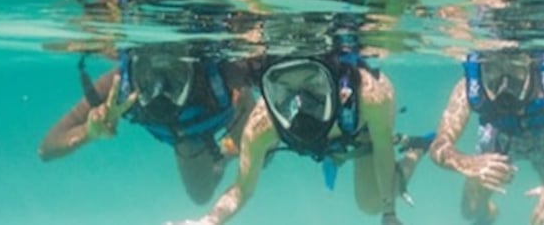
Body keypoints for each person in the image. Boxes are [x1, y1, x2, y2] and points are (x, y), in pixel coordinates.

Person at [165, 34, 421, 225]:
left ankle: (415, 151)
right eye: (286, 92)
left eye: (312, 87)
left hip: (358, 134)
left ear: (335, 86)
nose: (301, 106)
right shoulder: (263, 123)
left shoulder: (370, 97)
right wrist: (207, 222)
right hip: (330, 138)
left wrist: (390, 213)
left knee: (370, 204)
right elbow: (242, 189)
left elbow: (383, 147)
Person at [39, 42, 257, 204]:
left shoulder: (224, 71)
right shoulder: (116, 85)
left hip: (229, 113)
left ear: (192, 60)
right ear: (133, 63)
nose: (161, 91)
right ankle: (226, 154)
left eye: (173, 77)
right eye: (149, 81)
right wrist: (88, 132)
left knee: (262, 157)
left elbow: (267, 68)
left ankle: (235, 140)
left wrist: (245, 96)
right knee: (200, 196)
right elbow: (46, 148)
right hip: (187, 139)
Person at [429, 49, 544, 225]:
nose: (505, 79)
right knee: (470, 210)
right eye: (493, 67)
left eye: (515, 66)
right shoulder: (468, 86)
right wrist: (467, 163)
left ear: (530, 63)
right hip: (501, 137)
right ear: (482, 64)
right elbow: (440, 144)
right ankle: (488, 213)